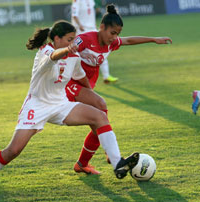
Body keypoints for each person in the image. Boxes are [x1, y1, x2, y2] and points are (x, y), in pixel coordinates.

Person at [0, 20, 139, 193]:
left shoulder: (74, 57)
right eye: (69, 39)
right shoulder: (45, 51)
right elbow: (53, 58)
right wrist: (66, 50)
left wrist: (89, 90)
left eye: (74, 39)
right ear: (56, 38)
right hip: (36, 106)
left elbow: (81, 76)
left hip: (61, 105)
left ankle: (118, 164)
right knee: (13, 150)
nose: (73, 43)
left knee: (100, 116)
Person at [66, 4, 172, 175]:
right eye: (112, 33)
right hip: (70, 84)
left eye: (117, 34)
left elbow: (129, 40)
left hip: (86, 86)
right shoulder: (85, 39)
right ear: (102, 27)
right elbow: (67, 49)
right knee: (101, 109)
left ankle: (82, 164)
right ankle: (111, 155)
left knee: (98, 126)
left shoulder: (111, 44)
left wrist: (153, 39)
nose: (114, 37)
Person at [71, 0, 118, 84]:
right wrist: (79, 25)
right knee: (79, 54)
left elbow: (93, 12)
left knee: (103, 50)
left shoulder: (91, 0)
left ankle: (106, 76)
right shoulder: (77, 1)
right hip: (82, 31)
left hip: (92, 28)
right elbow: (74, 15)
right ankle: (75, 76)